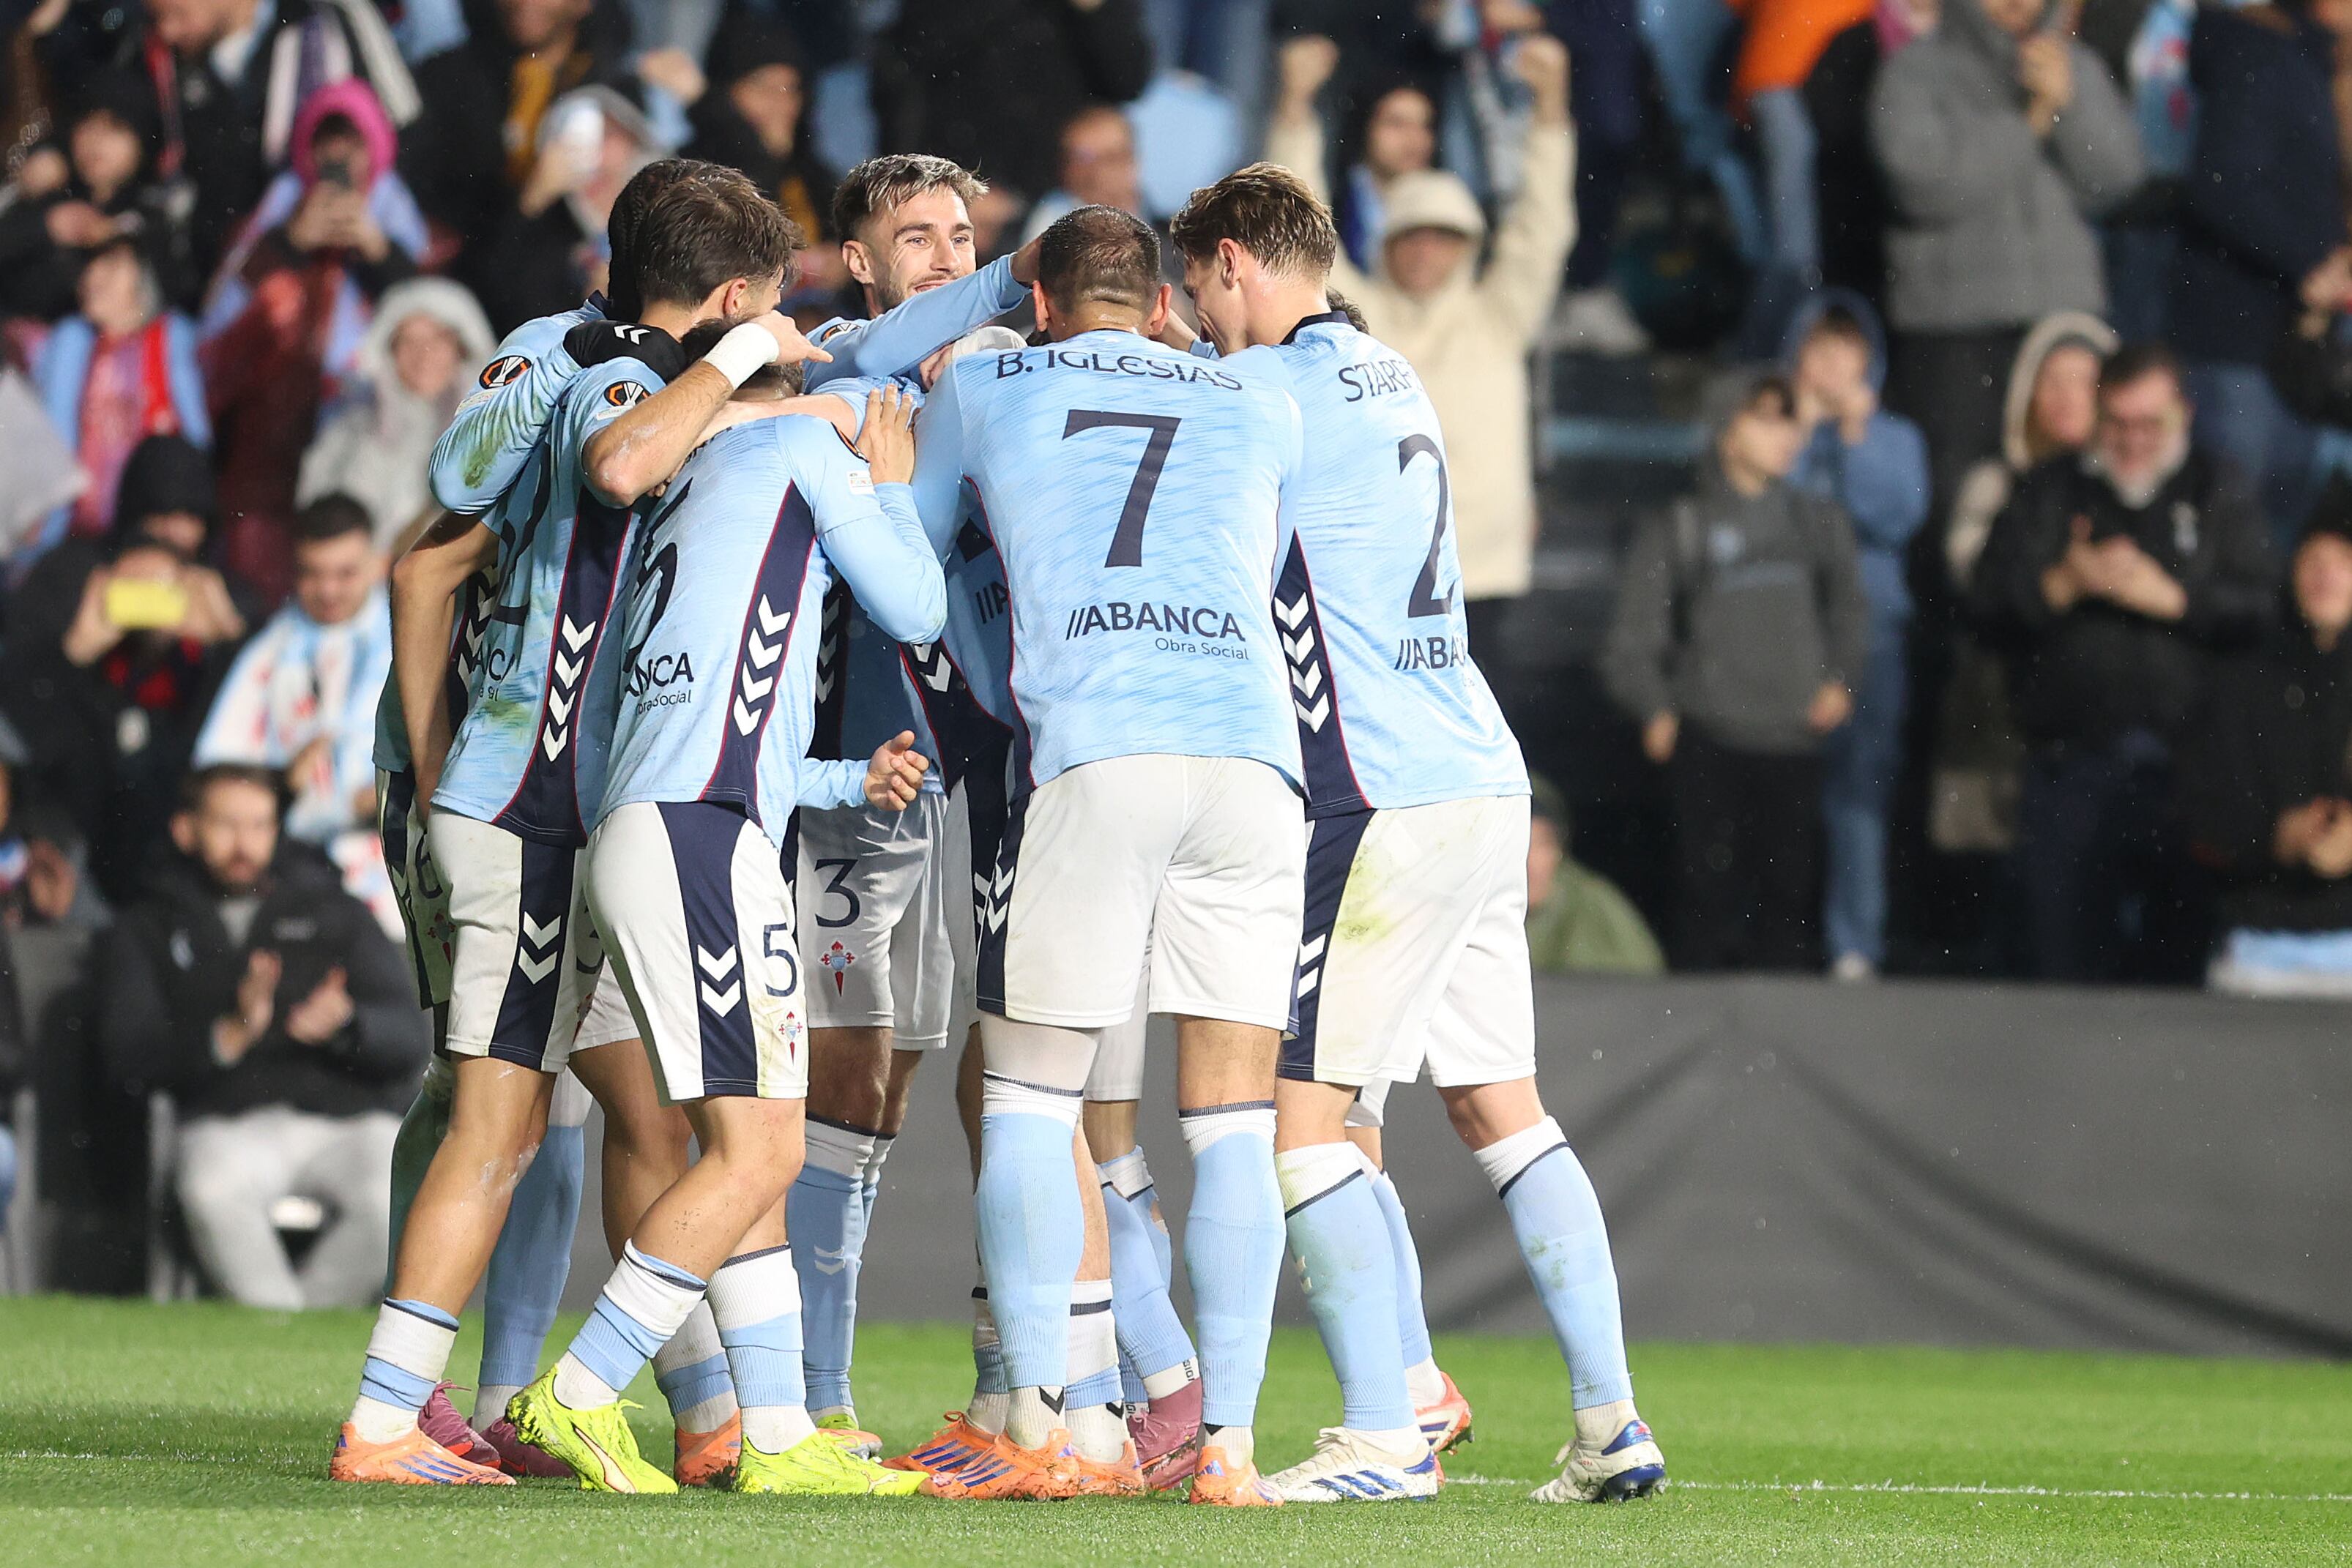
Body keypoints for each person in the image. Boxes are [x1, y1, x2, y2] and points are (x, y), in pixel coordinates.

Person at [1166, 157, 1665, 1507]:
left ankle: (1385, 1431)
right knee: (1500, 1108)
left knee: (1300, 1121)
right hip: (1482, 775)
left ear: (1230, 263)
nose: (1198, 319)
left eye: (1196, 292)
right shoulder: (1390, 374)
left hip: (1374, 791)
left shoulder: (1255, 391)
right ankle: (1606, 1416)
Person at [328, 171, 817, 1488]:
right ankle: (392, 1418)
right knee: (494, 1119)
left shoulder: (583, 362)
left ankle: (716, 1416)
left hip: (573, 811)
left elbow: (442, 526)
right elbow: (452, 534)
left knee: (631, 1111)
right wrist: (444, 771)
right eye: (766, 307)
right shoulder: (614, 389)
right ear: (730, 301)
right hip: (530, 807)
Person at [906, 206, 1306, 1506]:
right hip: (1254, 757)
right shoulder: (1252, 399)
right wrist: (1163, 339)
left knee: (1028, 1091)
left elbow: (916, 564)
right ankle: (1230, 1448)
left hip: (1101, 744)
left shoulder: (987, 376)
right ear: (1156, 304)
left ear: (1034, 293)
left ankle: (1063, 1424)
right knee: (1235, 1116)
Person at [506, 337, 941, 1499]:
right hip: (700, 838)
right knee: (764, 1149)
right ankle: (580, 1392)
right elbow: (918, 602)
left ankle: (779, 1430)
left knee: (745, 1149)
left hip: (669, 823)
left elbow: (741, 725)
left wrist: (849, 782)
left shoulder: (684, 495)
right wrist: (889, 484)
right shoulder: (798, 442)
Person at [1265, 32, 1574, 661]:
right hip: (1378, 567)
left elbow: (1542, 224)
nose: (1426, 249)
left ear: (1467, 244)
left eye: (1444, 235)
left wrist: (1552, 107)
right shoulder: (1359, 317)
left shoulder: (1499, 314)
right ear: (1386, 243)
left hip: (1482, 571)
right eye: (1411, 234)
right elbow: (1298, 240)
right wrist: (1293, 108)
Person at [1970, 343, 2274, 981]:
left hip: (2189, 775)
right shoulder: (2051, 490)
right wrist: (2062, 585)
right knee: (2067, 977)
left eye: (2150, 424)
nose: (2133, 441)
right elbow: (1983, 607)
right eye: (2117, 423)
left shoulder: (2219, 488)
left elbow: (2264, 610)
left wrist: (2175, 599)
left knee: (2180, 982)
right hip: (2069, 768)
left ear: (2183, 415)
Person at [96, 764, 430, 1308]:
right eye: (226, 824)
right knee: (211, 1188)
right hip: (226, 1124)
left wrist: (347, 1026)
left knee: (400, 1187)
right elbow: (127, 1056)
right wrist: (225, 1037)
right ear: (186, 829)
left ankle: (308, 1326)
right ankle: (277, 1327)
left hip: (341, 1121)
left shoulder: (334, 912)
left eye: (259, 825)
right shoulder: (145, 927)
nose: (243, 842)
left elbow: (409, 1039)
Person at [1602, 374, 1869, 971]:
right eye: (1766, 418)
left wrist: (1842, 681)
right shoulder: (1683, 524)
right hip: (1710, 743)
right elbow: (1632, 638)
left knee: (1787, 911)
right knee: (1703, 905)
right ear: (1727, 432)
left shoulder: (1816, 521)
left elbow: (1851, 608)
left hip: (1794, 743)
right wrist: (1656, 708)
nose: (1786, 435)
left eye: (1790, 419)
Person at [1870, 0, 2145, 508]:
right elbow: (1925, 184)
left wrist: (2070, 108)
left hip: (2060, 321)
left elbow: (2117, 179)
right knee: (1958, 498)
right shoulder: (1915, 71)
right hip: (1957, 330)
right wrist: (2029, 124)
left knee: (2067, 499)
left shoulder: (2075, 65)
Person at [198, 80, 428, 605]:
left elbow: (427, 319)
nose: (339, 155)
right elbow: (221, 318)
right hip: (272, 433)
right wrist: (287, 244)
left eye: (353, 141)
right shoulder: (280, 206)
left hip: (359, 429)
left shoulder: (395, 212)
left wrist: (378, 252)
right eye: (327, 140)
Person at [1, 434, 248, 905]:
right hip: (69, 826)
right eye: (160, 518)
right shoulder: (71, 579)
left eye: (189, 519)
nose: (174, 535)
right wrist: (76, 648)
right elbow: (18, 729)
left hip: (174, 841)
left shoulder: (219, 598)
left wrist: (227, 646)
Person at [2169, 0, 2352, 547]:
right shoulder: (2259, 53)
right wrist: (2309, 263)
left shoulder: (2309, 63)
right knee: (2234, 538)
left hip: (2291, 361)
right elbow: (2220, 184)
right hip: (2236, 352)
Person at [1933, 312, 2115, 862]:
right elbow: (1973, 584)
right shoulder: (1994, 485)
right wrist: (2057, 582)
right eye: (2052, 380)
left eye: (2085, 381)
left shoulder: (2133, 494)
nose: (2066, 396)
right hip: (2002, 716)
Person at [1785, 296, 1930, 979]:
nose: (1833, 365)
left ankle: (1854, 944)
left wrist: (1854, 440)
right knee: (1779, 788)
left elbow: (1896, 517)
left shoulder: (1894, 437)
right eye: (1820, 348)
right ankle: (1778, 934)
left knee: (1859, 791)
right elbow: (1765, 514)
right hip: (1784, 632)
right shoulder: (1772, 428)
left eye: (1848, 351)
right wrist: (1798, 434)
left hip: (1870, 635)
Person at [86, 0, 418, 281]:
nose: (167, 31)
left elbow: (405, 139)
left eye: (176, 12)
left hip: (345, 281)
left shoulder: (331, 19)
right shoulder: (160, 58)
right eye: (158, 17)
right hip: (230, 296)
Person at [2183, 486, 2352, 994]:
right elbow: (2202, 811)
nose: (2326, 574)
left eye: (2344, 560)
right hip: (2257, 948)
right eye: (2313, 559)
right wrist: (2276, 837)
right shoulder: (2240, 681)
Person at [192, 496, 393, 922]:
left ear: (379, 564)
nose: (328, 591)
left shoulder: (412, 638)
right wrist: (283, 786)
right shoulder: (269, 652)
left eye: (345, 573)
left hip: (399, 867)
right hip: (297, 871)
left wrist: (392, 797)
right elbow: (220, 771)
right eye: (313, 574)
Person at [29, 234, 209, 562]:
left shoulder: (174, 338)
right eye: (91, 266)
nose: (93, 276)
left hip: (152, 536)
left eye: (112, 265)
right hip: (71, 533)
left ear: (147, 275)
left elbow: (197, 439)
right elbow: (45, 442)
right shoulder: (69, 341)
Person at [877, 0, 1154, 206]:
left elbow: (1128, 81)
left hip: (1059, 186)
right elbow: (911, 56)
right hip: (962, 185)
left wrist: (1094, 8)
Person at [297, 279, 496, 551]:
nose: (424, 355)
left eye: (438, 339)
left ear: (462, 347)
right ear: (389, 349)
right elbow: (319, 514)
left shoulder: (496, 430)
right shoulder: (351, 424)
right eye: (409, 341)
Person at [0, 74, 194, 321]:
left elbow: (172, 288)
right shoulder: (51, 196)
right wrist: (45, 225)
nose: (95, 139)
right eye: (88, 123)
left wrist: (112, 237)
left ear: (141, 143)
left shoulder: (153, 213)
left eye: (115, 127)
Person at [1524, 780, 1667, 974]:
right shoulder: (1474, 902)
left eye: (1542, 844)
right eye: (1518, 843)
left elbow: (1648, 985)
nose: (1529, 861)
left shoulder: (1595, 905)